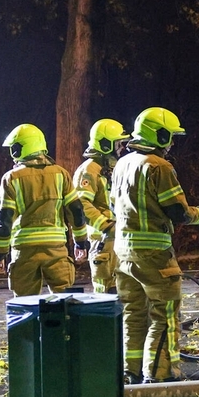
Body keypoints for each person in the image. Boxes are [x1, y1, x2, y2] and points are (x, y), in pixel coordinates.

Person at [111, 107, 199, 383]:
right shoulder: (159, 166)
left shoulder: (122, 164)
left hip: (122, 253)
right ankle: (159, 376)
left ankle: (129, 372)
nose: (171, 143)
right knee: (164, 316)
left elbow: (113, 208)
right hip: (153, 254)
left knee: (133, 315)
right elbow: (178, 212)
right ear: (159, 134)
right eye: (170, 136)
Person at [0, 123, 89, 296]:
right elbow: (76, 211)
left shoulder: (12, 178)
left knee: (25, 306)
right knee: (64, 304)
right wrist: (81, 242)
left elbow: (4, 219)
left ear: (20, 149)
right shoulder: (61, 174)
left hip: (24, 251)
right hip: (56, 249)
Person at [73, 119, 130, 294]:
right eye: (118, 143)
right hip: (104, 241)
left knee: (126, 291)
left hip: (121, 238)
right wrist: (106, 226)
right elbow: (82, 204)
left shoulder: (114, 168)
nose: (122, 147)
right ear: (106, 145)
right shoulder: (89, 170)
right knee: (106, 291)